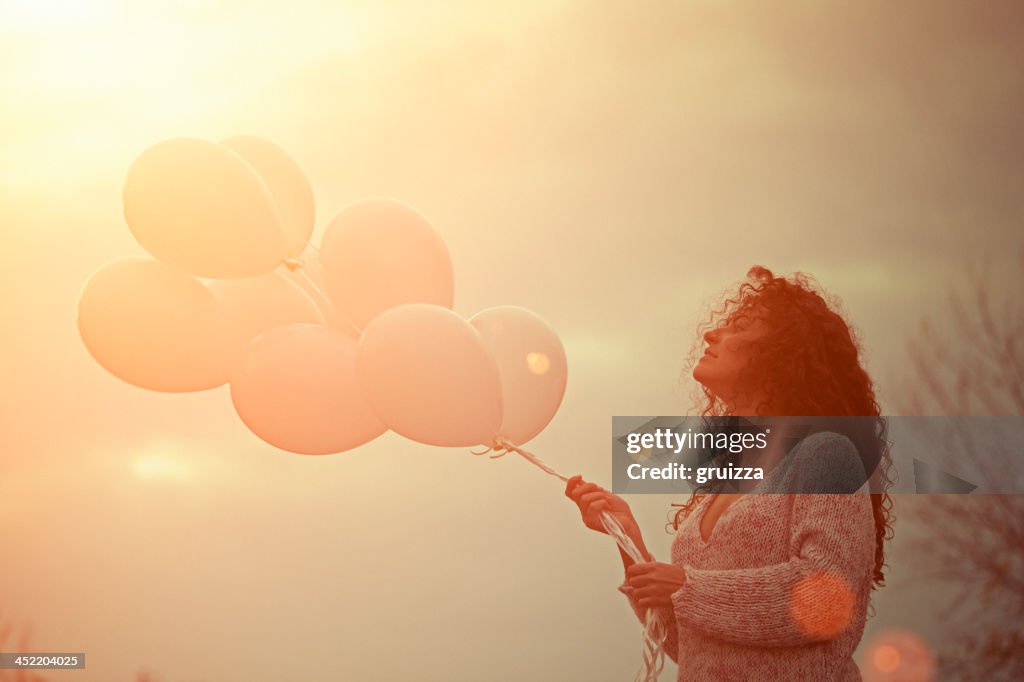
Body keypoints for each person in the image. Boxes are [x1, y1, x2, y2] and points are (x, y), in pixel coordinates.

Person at [566, 266, 894, 681]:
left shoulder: (827, 454)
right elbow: (689, 647)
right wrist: (627, 536)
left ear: (780, 354)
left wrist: (685, 587)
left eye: (739, 326)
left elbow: (826, 598)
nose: (710, 335)